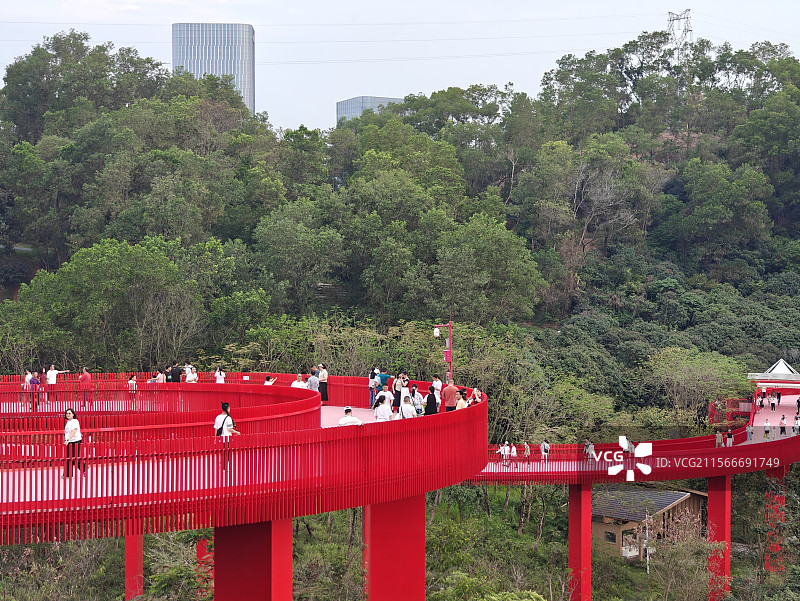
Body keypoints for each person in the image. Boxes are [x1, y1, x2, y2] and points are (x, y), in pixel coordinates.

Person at [213, 402, 241, 470]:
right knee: (227, 453)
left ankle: (222, 465)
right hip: (227, 438)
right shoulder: (228, 418)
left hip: (220, 438)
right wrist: (236, 432)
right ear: (228, 409)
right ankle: (225, 466)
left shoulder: (217, 417)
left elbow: (216, 429)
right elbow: (230, 429)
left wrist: (215, 438)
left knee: (222, 452)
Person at [63, 408, 83, 478]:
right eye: (67, 413)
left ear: (73, 414)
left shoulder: (75, 421)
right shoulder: (68, 422)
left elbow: (74, 431)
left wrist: (68, 439)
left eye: (69, 413)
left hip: (75, 441)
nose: (68, 415)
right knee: (68, 458)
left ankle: (84, 470)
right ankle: (68, 474)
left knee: (74, 458)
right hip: (69, 442)